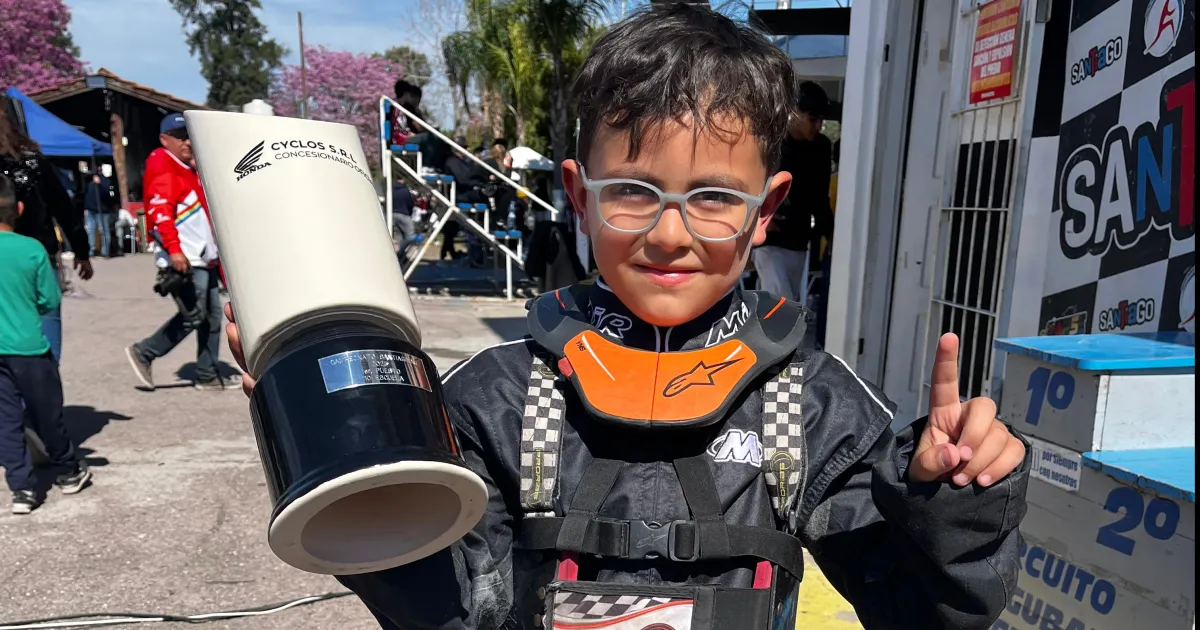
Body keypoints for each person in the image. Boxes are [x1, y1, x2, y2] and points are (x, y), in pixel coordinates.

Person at [224, 5, 1028, 629]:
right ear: (579, 196)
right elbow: (457, 611)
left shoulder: (812, 402)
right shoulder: (498, 396)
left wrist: (953, 502)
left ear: (766, 211)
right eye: (633, 192)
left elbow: (923, 611)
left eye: (714, 197)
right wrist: (342, 441)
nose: (670, 234)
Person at [0, 174, 91, 515]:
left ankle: (22, 489)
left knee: (6, 422)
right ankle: (68, 469)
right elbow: (49, 300)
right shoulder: (31, 249)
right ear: (20, 209)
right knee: (48, 413)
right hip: (29, 349)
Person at [125, 113, 229, 391]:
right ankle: (144, 352)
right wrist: (174, 250)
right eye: (180, 137)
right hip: (185, 258)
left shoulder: (187, 169)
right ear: (164, 139)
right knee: (194, 315)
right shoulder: (163, 164)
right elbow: (160, 212)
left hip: (202, 258)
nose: (187, 142)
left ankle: (207, 374)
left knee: (212, 317)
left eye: (189, 136)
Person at [1, 106, 93, 362]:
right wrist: (82, 251)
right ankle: (45, 380)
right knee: (47, 330)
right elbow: (64, 208)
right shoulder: (34, 162)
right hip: (37, 253)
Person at [753, 81, 835, 306]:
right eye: (813, 119)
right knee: (780, 302)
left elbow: (820, 197)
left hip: (799, 239)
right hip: (768, 239)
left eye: (821, 121)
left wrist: (830, 234)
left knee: (787, 305)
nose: (818, 126)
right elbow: (743, 183)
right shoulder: (769, 143)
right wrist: (756, 216)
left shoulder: (821, 147)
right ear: (794, 112)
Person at [391, 79, 448, 173]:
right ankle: (426, 165)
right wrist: (410, 134)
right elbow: (398, 129)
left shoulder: (407, 108)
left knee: (440, 140)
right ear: (406, 94)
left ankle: (439, 167)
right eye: (410, 95)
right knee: (427, 137)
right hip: (401, 140)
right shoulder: (393, 106)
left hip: (408, 136)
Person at [83, 164, 118, 258]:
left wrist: (99, 184)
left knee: (104, 231)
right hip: (90, 210)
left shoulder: (105, 181)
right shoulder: (89, 181)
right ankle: (90, 251)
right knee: (90, 230)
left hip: (102, 211)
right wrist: (85, 208)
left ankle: (105, 251)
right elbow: (86, 194)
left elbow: (106, 194)